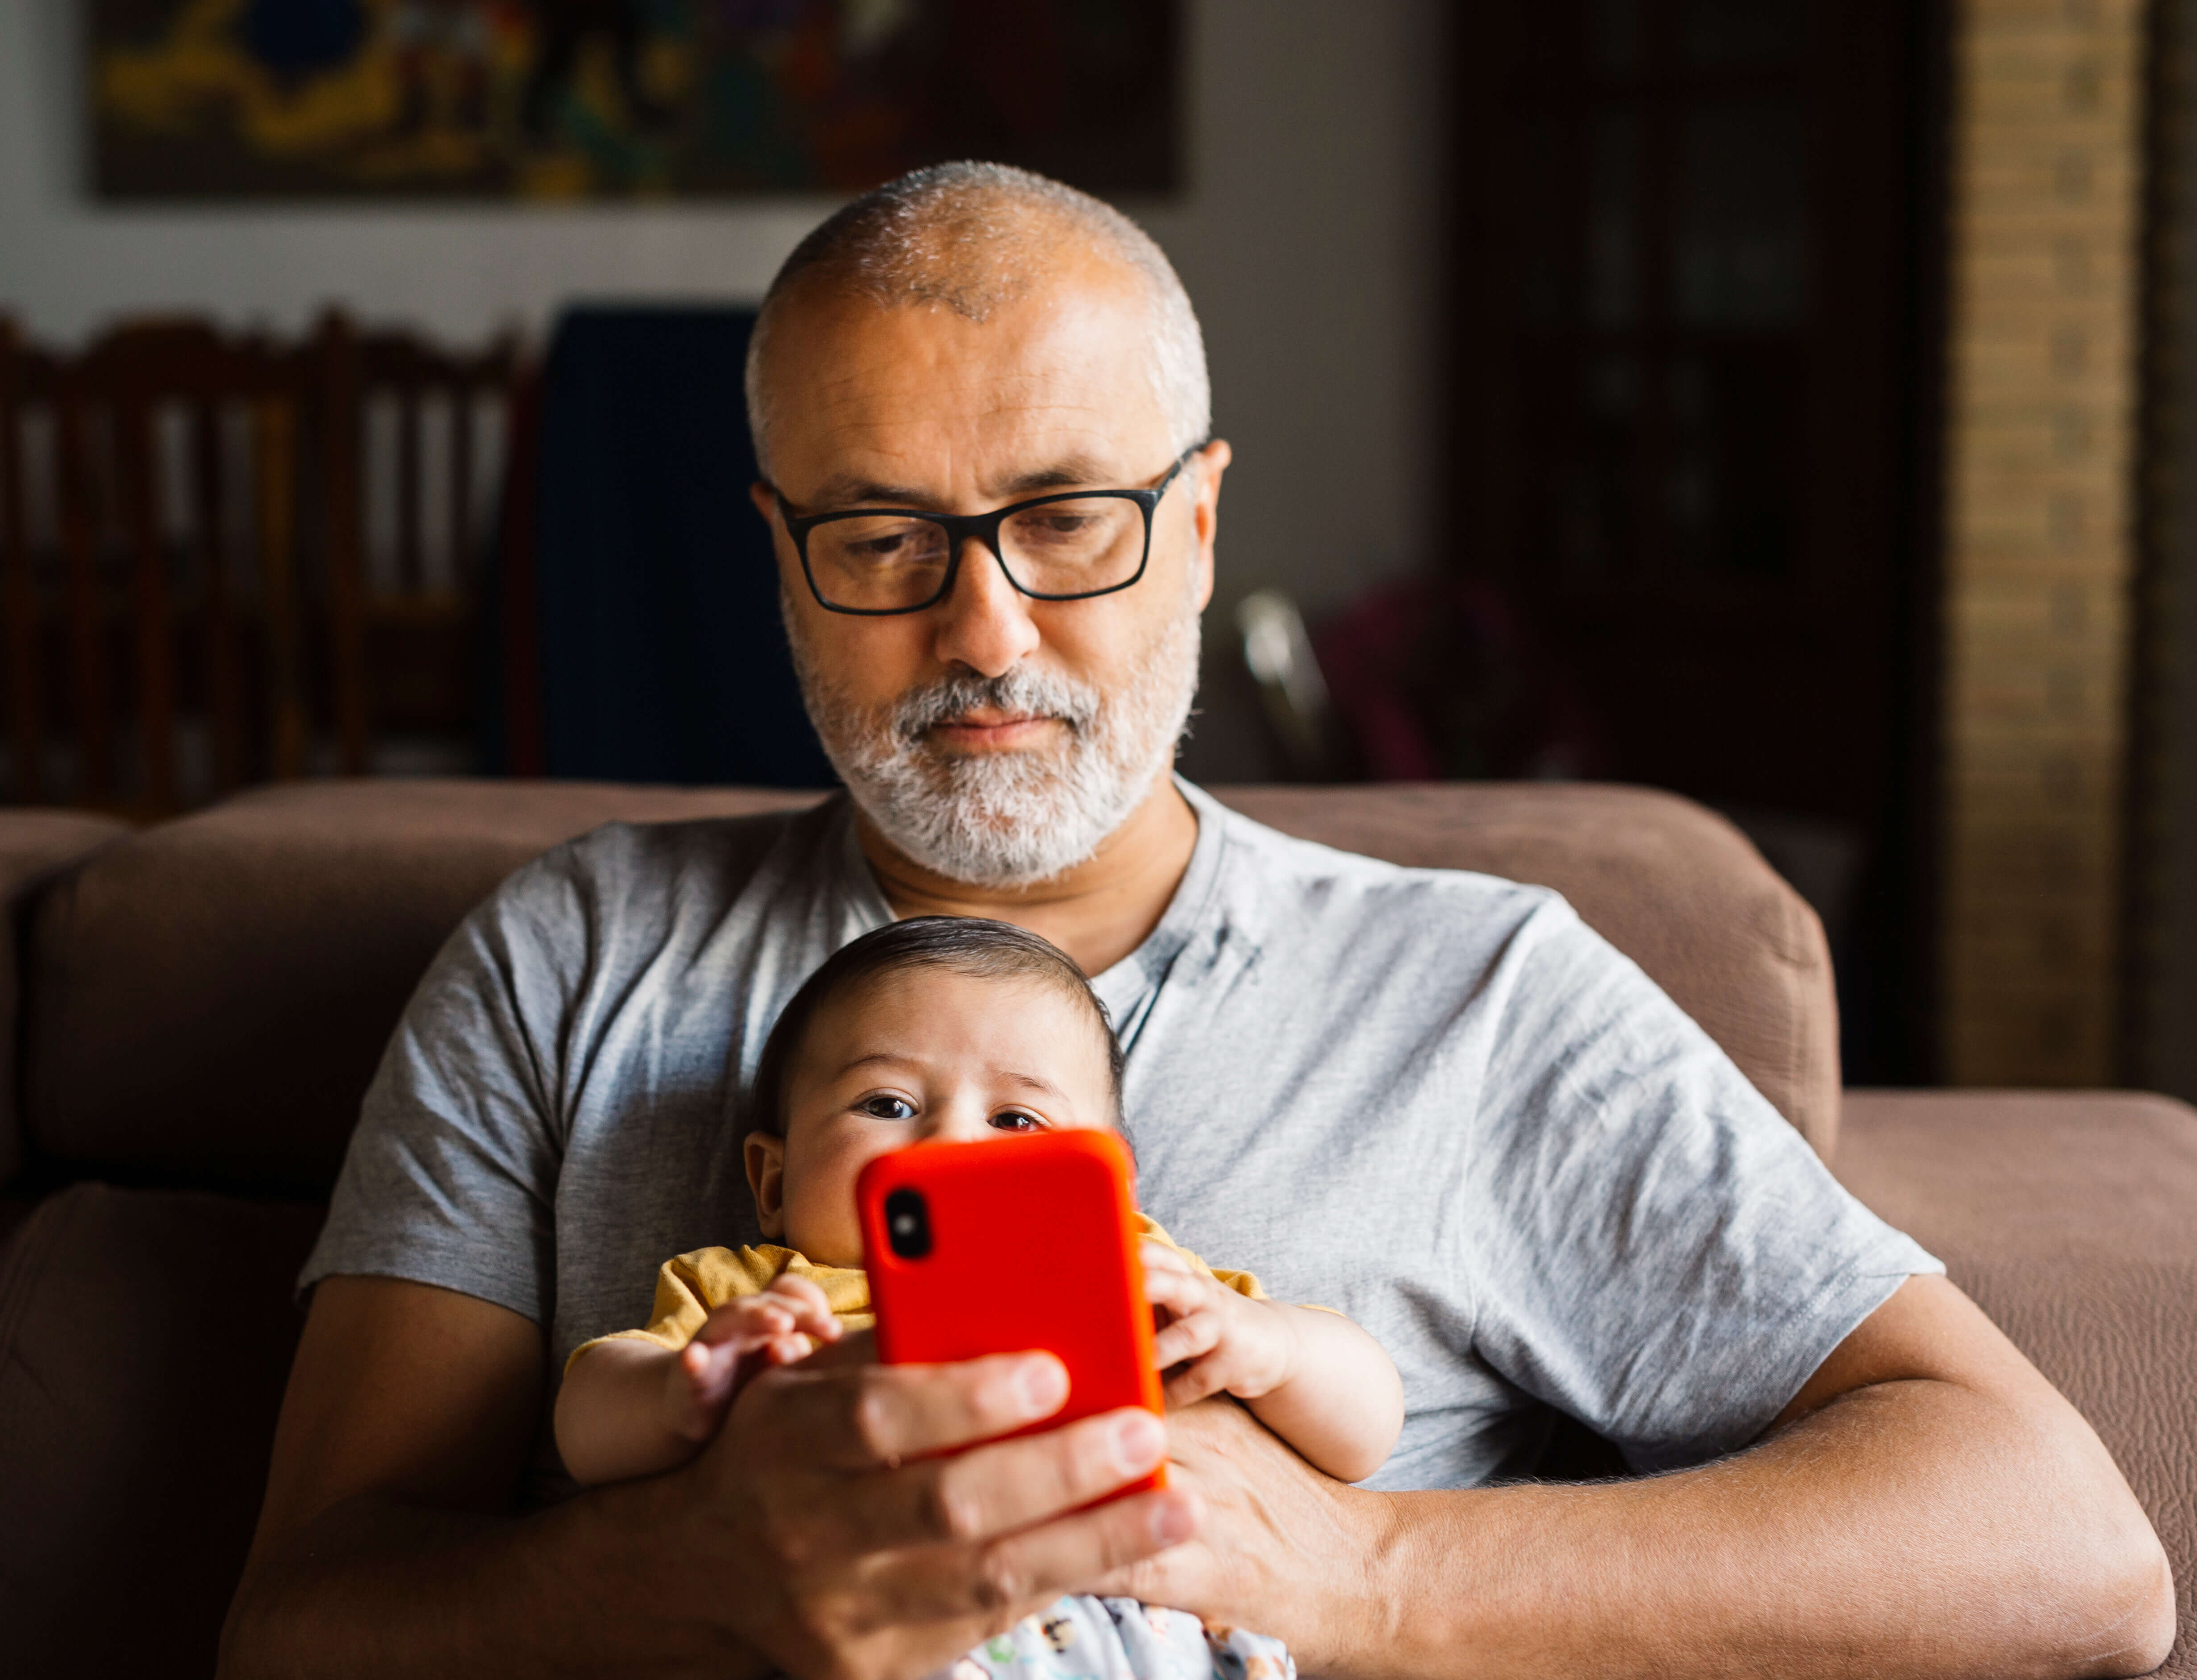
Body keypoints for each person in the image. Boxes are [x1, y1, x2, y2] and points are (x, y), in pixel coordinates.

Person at [220, 163, 2174, 1680]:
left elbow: (2067, 1547)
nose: (984, 631)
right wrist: (688, 1570)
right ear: (778, 563)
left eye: (1070, 518)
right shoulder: (568, 952)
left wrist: (1354, 1570)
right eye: (883, 539)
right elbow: (298, 1628)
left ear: (1203, 520)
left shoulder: (1473, 991)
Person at [555, 916, 1402, 1680]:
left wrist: (1274, 1345)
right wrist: (683, 1389)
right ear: (773, 1181)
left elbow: (1366, 1428)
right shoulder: (761, 1293)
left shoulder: (1142, 1270)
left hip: (1148, 1621)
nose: (952, 1141)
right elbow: (586, 1424)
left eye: (1018, 1120)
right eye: (888, 1103)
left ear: (1110, 1180)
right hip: (874, 1624)